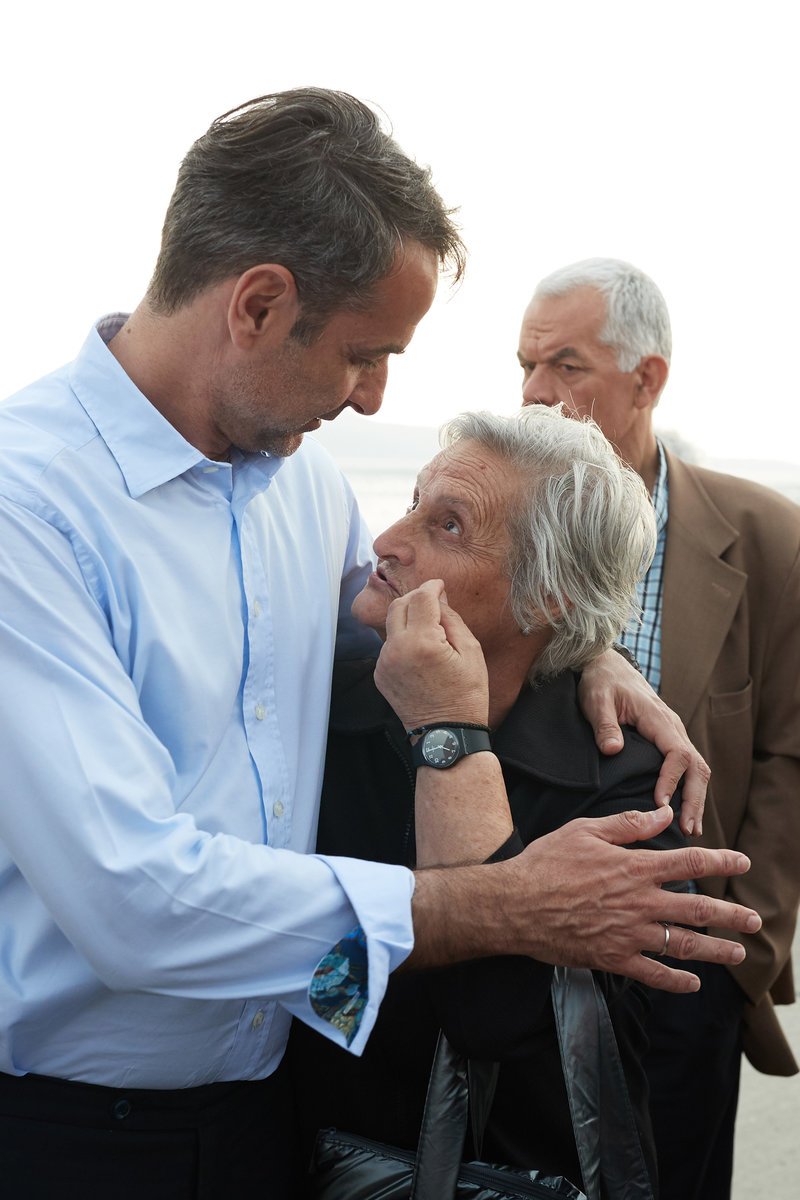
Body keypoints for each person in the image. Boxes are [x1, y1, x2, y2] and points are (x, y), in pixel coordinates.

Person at [0, 93, 758, 1199]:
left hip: (277, 1126)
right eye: (365, 355)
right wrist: (498, 906)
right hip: (78, 1142)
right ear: (257, 305)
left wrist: (586, 649)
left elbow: (415, 611)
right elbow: (132, 899)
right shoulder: (29, 508)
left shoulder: (298, 482)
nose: (372, 398)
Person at [288, 405, 692, 1197]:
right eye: (410, 501)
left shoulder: (629, 782)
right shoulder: (328, 708)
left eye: (446, 524)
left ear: (547, 597)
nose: (386, 541)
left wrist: (448, 730)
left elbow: (489, 1019)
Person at [518, 257, 800, 1200]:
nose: (534, 394)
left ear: (648, 379)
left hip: (690, 960)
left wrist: (744, 952)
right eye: (525, 366)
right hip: (527, 953)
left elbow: (790, 754)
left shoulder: (769, 536)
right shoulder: (500, 519)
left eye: (565, 366)